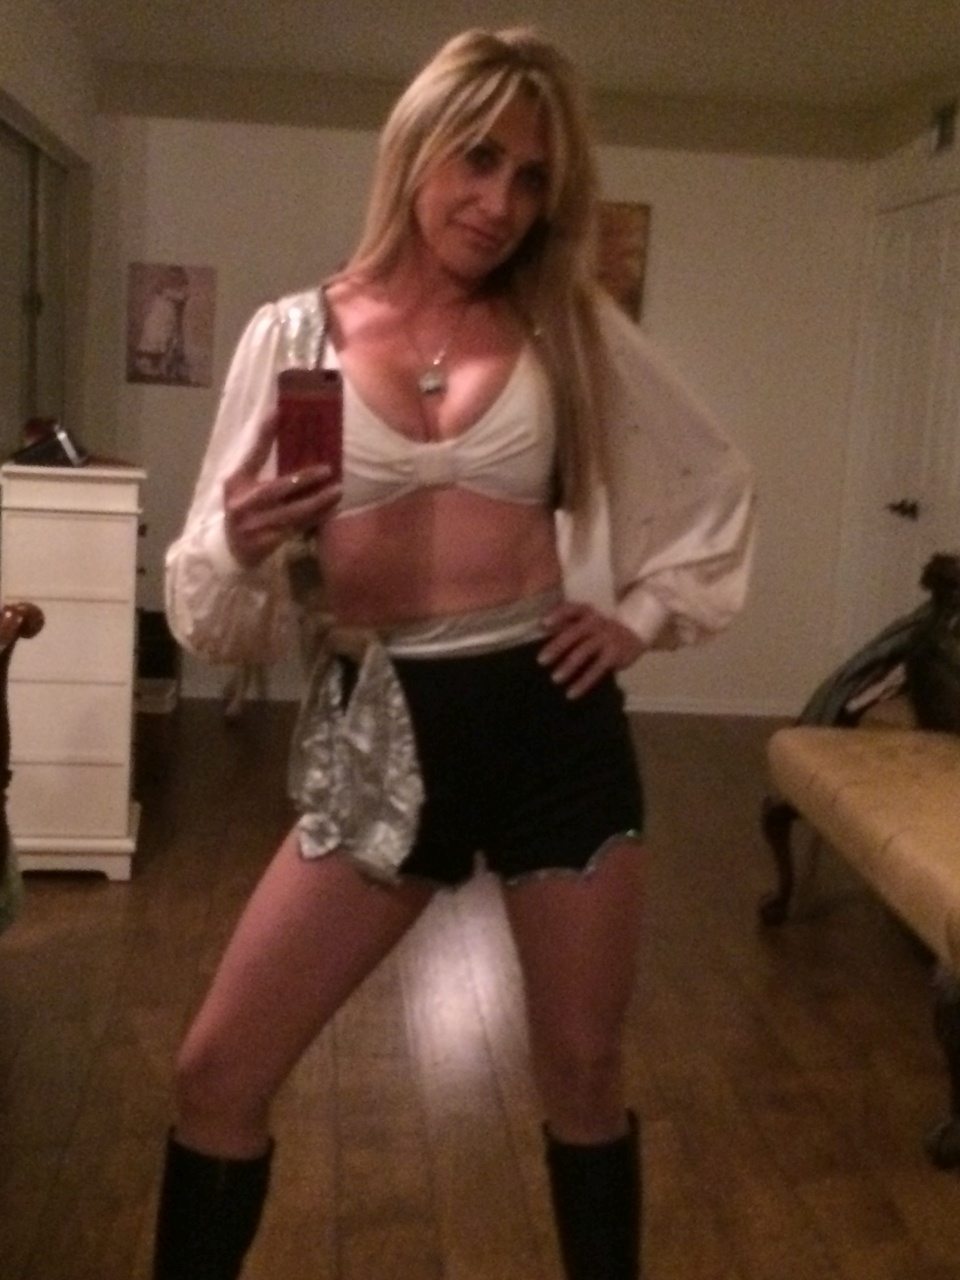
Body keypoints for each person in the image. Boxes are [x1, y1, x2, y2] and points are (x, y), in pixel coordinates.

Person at [156, 26, 755, 1280]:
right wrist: (246, 540)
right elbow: (213, 595)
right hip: (383, 723)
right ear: (417, 146)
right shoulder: (293, 335)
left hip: (552, 719)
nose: (500, 203)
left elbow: (712, 477)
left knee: (584, 1070)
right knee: (217, 1070)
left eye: (532, 179)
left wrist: (641, 615)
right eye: (479, 159)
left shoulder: (566, 326)